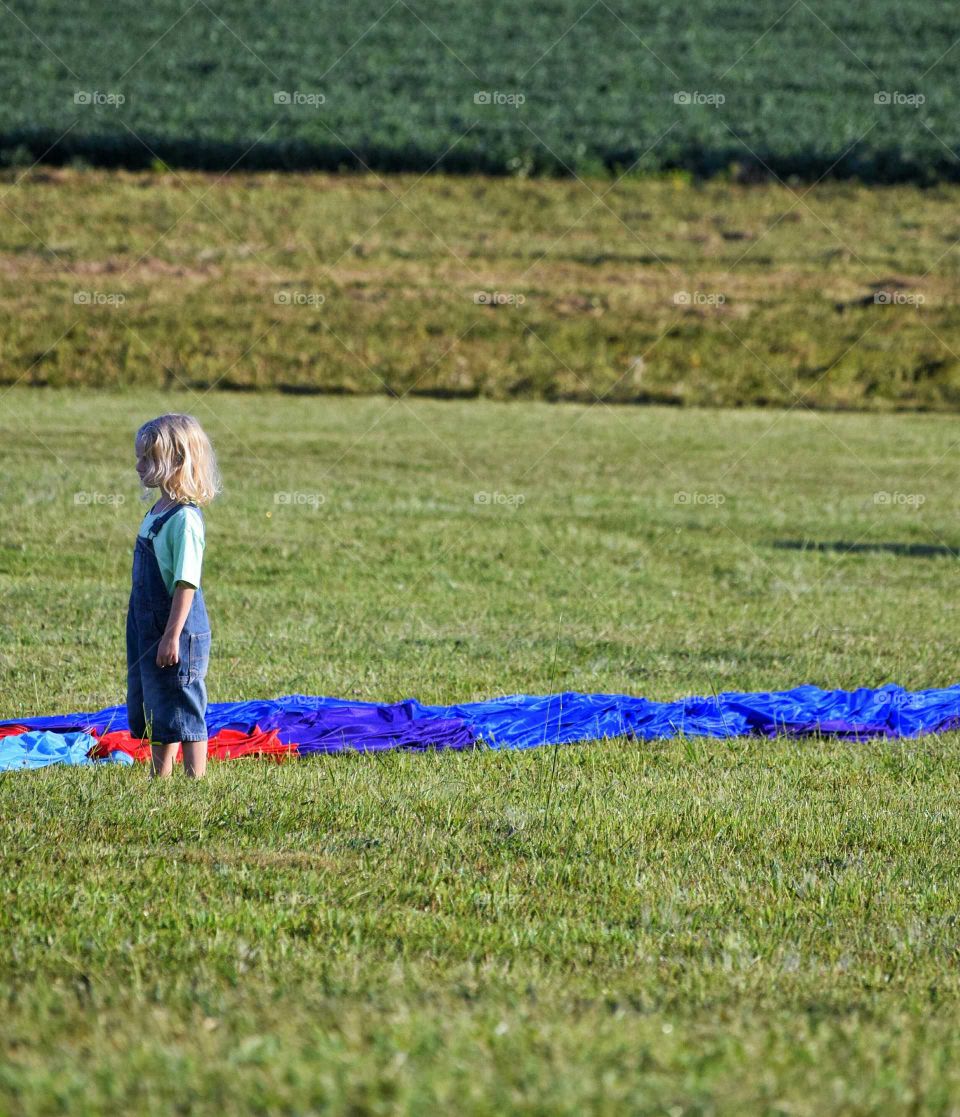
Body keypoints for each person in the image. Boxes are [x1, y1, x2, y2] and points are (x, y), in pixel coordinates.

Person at [127, 414, 221, 779]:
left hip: (178, 630)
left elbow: (186, 583)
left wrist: (171, 635)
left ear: (177, 462)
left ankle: (195, 778)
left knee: (184, 700)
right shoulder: (156, 512)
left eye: (147, 459)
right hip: (150, 627)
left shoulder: (184, 520)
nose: (138, 466)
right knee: (159, 700)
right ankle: (159, 773)